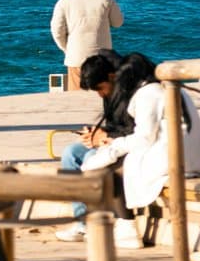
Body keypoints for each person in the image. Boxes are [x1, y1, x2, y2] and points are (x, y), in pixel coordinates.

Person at [80, 53, 200, 250]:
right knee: (113, 161)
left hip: (175, 156)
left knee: (110, 169)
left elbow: (144, 137)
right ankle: (119, 225)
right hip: (189, 153)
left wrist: (112, 148)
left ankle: (126, 227)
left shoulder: (148, 94)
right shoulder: (169, 88)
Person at [55, 50, 125, 242]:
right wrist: (95, 134)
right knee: (70, 153)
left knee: (89, 159)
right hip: (111, 142)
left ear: (111, 77)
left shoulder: (128, 94)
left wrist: (105, 136)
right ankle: (82, 222)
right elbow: (113, 126)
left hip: (125, 146)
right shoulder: (109, 94)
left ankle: (100, 221)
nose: (100, 94)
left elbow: (133, 131)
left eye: (100, 88)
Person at [51, 0, 124, 90]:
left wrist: (67, 49)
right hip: (102, 58)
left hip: (76, 57)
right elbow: (118, 23)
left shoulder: (64, 1)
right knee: (102, 96)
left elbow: (57, 31)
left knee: (76, 97)